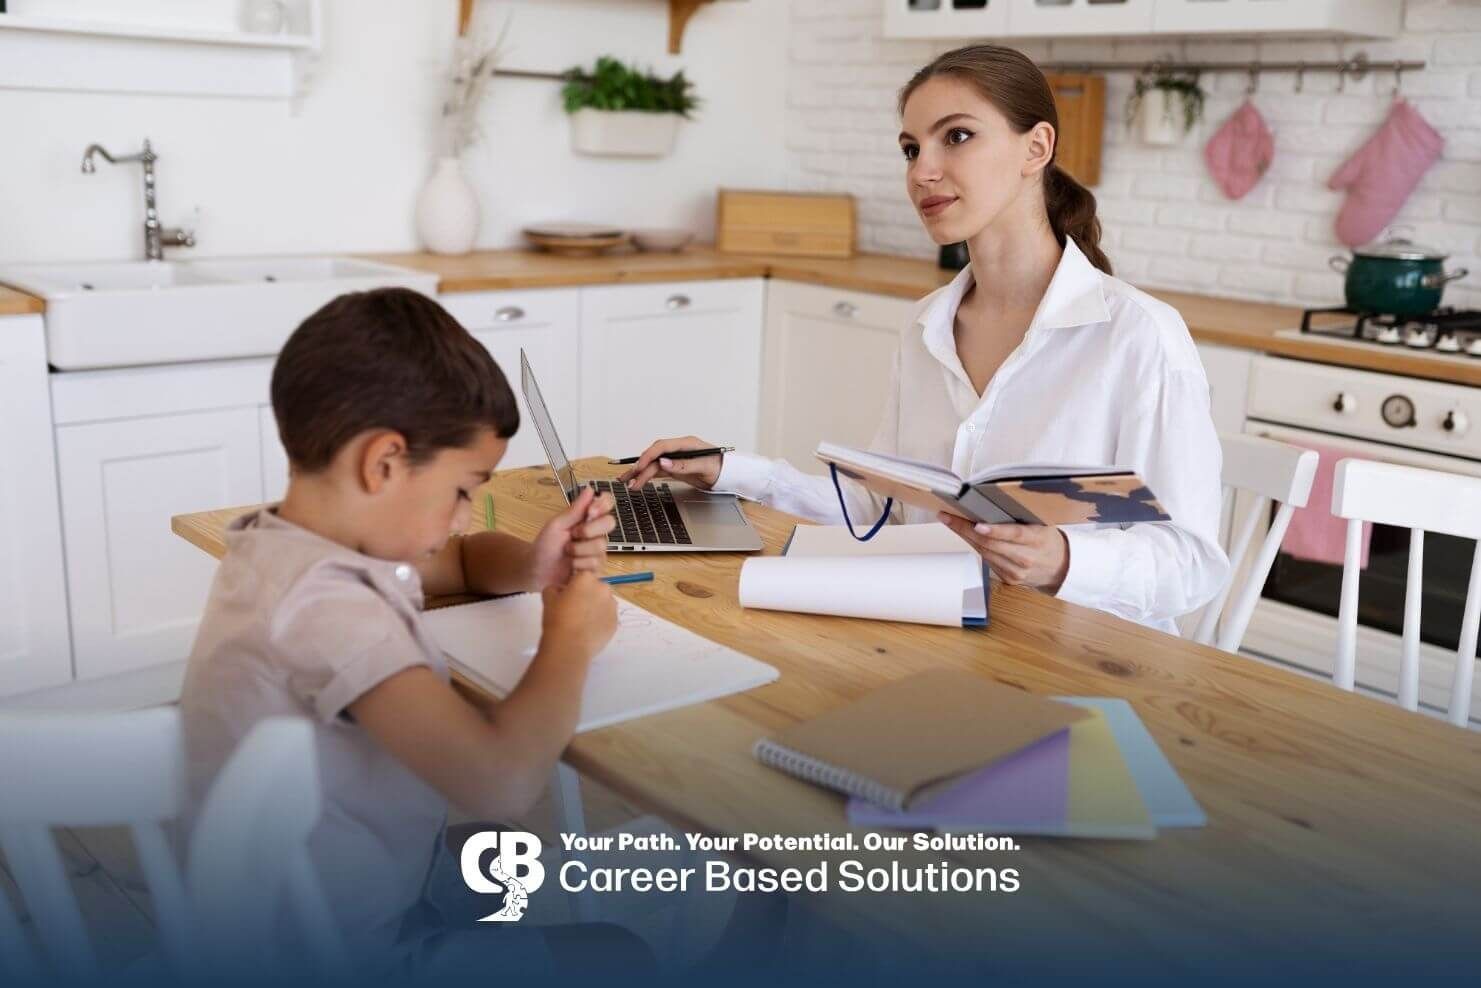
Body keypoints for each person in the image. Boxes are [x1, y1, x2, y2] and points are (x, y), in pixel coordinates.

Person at [621, 44, 1229, 635]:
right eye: (912, 148)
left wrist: (1063, 560)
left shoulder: (1137, 336)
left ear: (1036, 147)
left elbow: (1193, 564)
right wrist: (732, 471)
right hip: (953, 635)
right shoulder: (927, 327)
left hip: (1093, 663)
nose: (922, 171)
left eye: (957, 136)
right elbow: (880, 512)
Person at [178, 287, 651, 977]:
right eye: (464, 490)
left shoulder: (291, 545)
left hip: (315, 887)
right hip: (338, 953)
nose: (464, 517)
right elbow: (501, 779)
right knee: (621, 953)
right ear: (384, 462)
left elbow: (457, 559)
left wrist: (534, 563)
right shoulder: (328, 610)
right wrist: (569, 635)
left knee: (498, 854)